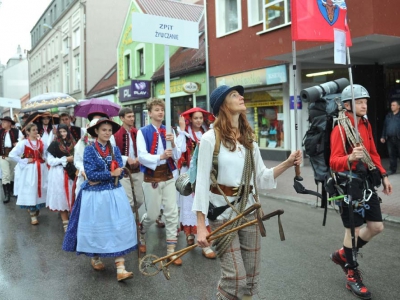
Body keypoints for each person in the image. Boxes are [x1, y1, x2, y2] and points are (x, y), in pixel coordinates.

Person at [193, 85, 302, 300]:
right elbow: (201, 183)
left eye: (239, 94)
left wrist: (288, 163)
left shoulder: (248, 139)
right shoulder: (209, 139)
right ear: (222, 105)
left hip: (249, 213)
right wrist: (200, 227)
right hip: (223, 215)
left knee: (251, 279)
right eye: (234, 95)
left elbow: (261, 177)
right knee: (235, 278)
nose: (241, 97)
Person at [329, 84, 392, 300]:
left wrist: (383, 175)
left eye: (365, 101)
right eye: (359, 101)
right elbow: (333, 161)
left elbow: (373, 152)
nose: (364, 105)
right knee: (353, 231)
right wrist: (350, 158)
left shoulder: (365, 124)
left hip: (366, 183)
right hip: (347, 185)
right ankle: (352, 275)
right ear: (347, 105)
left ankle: (342, 254)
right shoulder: (340, 128)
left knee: (376, 226)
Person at [63, 118, 137, 282]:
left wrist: (118, 173)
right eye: (104, 130)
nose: (107, 133)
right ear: (96, 131)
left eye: (109, 130)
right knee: (97, 228)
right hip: (95, 196)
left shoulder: (115, 149)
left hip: (114, 193)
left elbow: (121, 171)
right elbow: (90, 175)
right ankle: (95, 256)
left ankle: (121, 268)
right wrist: (111, 174)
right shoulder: (89, 150)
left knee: (117, 227)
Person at [137, 98, 184, 265]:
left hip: (169, 175)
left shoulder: (169, 130)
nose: (160, 112)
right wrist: (160, 156)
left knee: (172, 213)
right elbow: (141, 156)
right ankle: (141, 232)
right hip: (151, 177)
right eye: (156, 109)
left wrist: (172, 142)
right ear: (149, 113)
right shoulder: (143, 132)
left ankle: (171, 251)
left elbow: (178, 155)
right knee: (152, 214)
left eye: (162, 110)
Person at [177, 107, 216, 259]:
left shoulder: (208, 132)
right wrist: (181, 131)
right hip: (189, 172)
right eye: (196, 118)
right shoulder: (184, 134)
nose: (199, 120)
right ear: (190, 120)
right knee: (189, 205)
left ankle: (206, 243)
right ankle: (190, 234)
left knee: (203, 205)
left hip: (204, 172)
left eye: (201, 118)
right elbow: (179, 150)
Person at [9, 123, 48, 224]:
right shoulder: (24, 143)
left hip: (41, 169)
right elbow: (12, 154)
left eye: (36, 130)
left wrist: (44, 158)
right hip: (29, 171)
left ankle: (37, 208)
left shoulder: (42, 143)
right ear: (28, 132)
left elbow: (46, 154)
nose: (36, 132)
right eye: (33, 130)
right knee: (31, 189)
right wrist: (25, 160)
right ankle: (32, 214)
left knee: (40, 189)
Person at [46, 124, 76, 232]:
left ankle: (73, 220)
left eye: (65, 131)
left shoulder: (73, 143)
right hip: (59, 173)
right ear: (58, 132)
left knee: (73, 196)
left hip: (72, 173)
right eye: (61, 131)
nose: (63, 134)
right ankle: (65, 223)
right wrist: (65, 159)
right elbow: (50, 161)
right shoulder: (54, 144)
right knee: (62, 197)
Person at [114, 107, 144, 213]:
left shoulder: (138, 132)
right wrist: (126, 158)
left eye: (133, 116)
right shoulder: (115, 134)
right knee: (129, 201)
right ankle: (131, 223)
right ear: (122, 118)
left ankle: (130, 219)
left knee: (140, 199)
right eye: (129, 116)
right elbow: (113, 153)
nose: (132, 119)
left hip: (137, 170)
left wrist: (138, 158)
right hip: (124, 171)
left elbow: (143, 150)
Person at [0, 116, 24, 203]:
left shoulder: (17, 131)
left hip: (13, 156)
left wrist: (18, 144)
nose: (2, 123)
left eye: (5, 122)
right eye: (2, 122)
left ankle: (12, 191)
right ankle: (6, 195)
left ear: (10, 123)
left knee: (13, 174)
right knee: (5, 175)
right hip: (3, 156)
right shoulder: (0, 132)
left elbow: (22, 142)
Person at [380, 99, 400, 175]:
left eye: (394, 105)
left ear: (398, 106)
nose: (392, 107)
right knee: (392, 155)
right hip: (390, 139)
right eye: (391, 105)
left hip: (398, 138)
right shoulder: (388, 116)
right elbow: (385, 127)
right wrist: (383, 136)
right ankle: (392, 169)